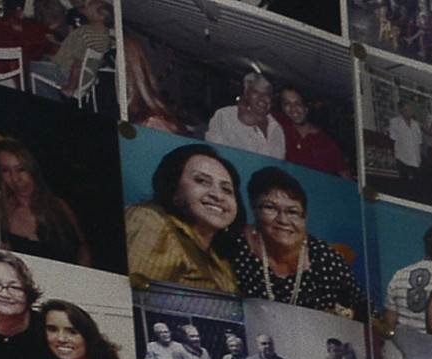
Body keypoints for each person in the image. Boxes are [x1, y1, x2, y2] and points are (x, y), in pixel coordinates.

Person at [225, 166, 365, 315]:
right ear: (254, 210)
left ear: (305, 217)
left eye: (293, 212)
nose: (283, 220)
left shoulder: (327, 259)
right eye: (270, 208)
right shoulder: (235, 246)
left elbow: (367, 313)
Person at [126, 143, 243, 293]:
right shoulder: (150, 221)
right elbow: (130, 297)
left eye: (227, 189)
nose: (218, 195)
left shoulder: (217, 257)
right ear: (173, 189)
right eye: (202, 181)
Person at [0, 138, 93, 268]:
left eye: (21, 169)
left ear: (32, 168)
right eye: (5, 170)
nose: (15, 178)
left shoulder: (58, 205)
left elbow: (83, 249)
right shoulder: (0, 214)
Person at [206, 69, 283, 158]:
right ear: (246, 94)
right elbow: (214, 152)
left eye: (267, 94)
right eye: (256, 92)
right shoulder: (225, 116)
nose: (262, 98)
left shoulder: (277, 128)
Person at [274, 85, 346, 175]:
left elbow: (344, 174)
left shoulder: (326, 141)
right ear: (282, 108)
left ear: (306, 108)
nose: (293, 108)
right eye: (287, 104)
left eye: (298, 103)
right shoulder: (279, 127)